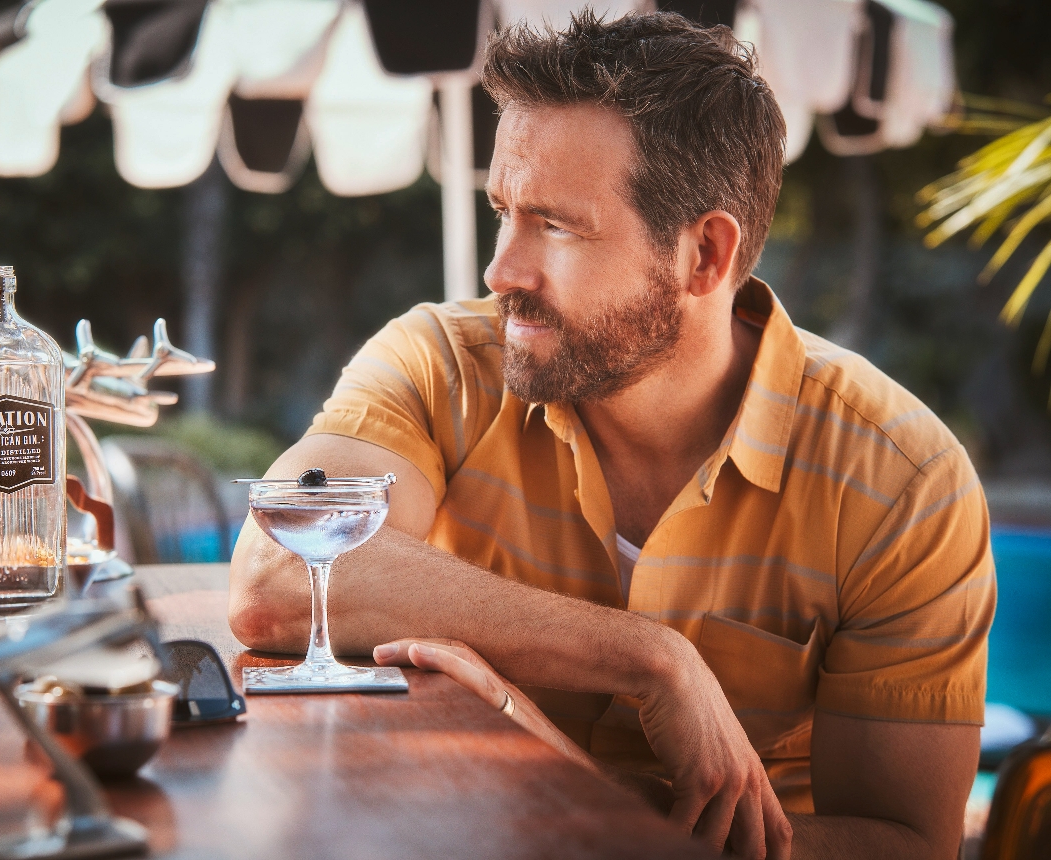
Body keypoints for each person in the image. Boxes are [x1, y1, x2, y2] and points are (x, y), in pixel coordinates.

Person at [229, 11, 994, 860]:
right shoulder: (439, 361)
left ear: (704, 254)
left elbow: (907, 845)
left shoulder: (901, 481)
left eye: (556, 225)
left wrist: (584, 796)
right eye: (503, 212)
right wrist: (647, 657)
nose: (500, 271)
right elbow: (276, 572)